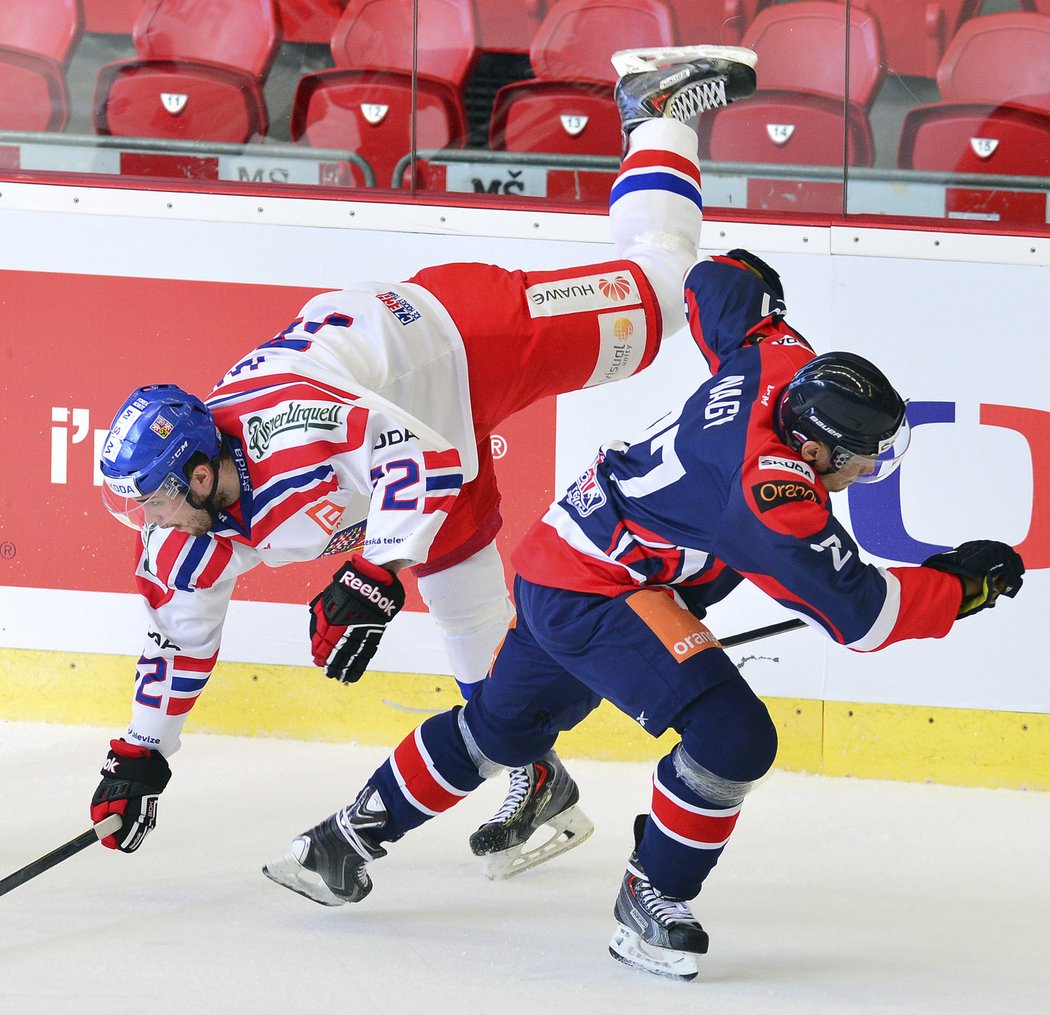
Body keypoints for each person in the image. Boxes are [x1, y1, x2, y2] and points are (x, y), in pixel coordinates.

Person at [88, 45, 762, 878]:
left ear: (199, 473)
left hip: (464, 341)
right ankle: (535, 773)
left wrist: (373, 572)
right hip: (416, 448)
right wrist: (139, 756)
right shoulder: (184, 528)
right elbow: (176, 641)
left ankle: (658, 109)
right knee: (475, 628)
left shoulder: (289, 430)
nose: (144, 519)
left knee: (663, 293)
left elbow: (418, 454)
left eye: (149, 498)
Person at [260, 244, 1025, 976]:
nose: (869, 471)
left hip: (565, 557)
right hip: (607, 592)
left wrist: (747, 272)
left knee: (499, 726)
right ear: (817, 451)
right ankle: (652, 895)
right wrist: (964, 586)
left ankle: (340, 840)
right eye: (864, 460)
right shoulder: (770, 497)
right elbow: (863, 617)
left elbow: (715, 285)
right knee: (733, 735)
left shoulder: (780, 360)